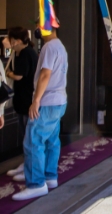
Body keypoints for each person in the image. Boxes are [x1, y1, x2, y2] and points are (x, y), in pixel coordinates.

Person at [12, 26, 68, 201]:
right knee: (51, 140)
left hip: (47, 100)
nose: (37, 29)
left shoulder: (49, 47)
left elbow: (45, 75)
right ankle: (50, 176)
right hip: (59, 100)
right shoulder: (60, 46)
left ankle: (36, 183)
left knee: (33, 141)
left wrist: (36, 100)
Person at [2, 28, 38, 176]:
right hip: (24, 101)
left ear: (16, 41)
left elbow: (18, 76)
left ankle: (30, 168)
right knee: (27, 137)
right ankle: (27, 164)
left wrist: (9, 73)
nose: (6, 42)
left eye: (10, 39)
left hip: (27, 102)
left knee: (29, 137)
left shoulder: (26, 53)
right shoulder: (25, 52)